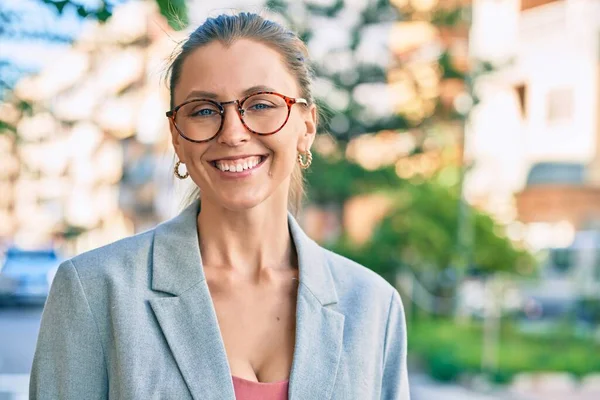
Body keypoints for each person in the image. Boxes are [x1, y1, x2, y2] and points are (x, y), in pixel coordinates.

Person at [29, 12, 410, 400]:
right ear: (177, 137)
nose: (232, 133)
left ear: (306, 128)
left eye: (261, 104)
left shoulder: (373, 306)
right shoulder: (94, 291)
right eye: (204, 111)